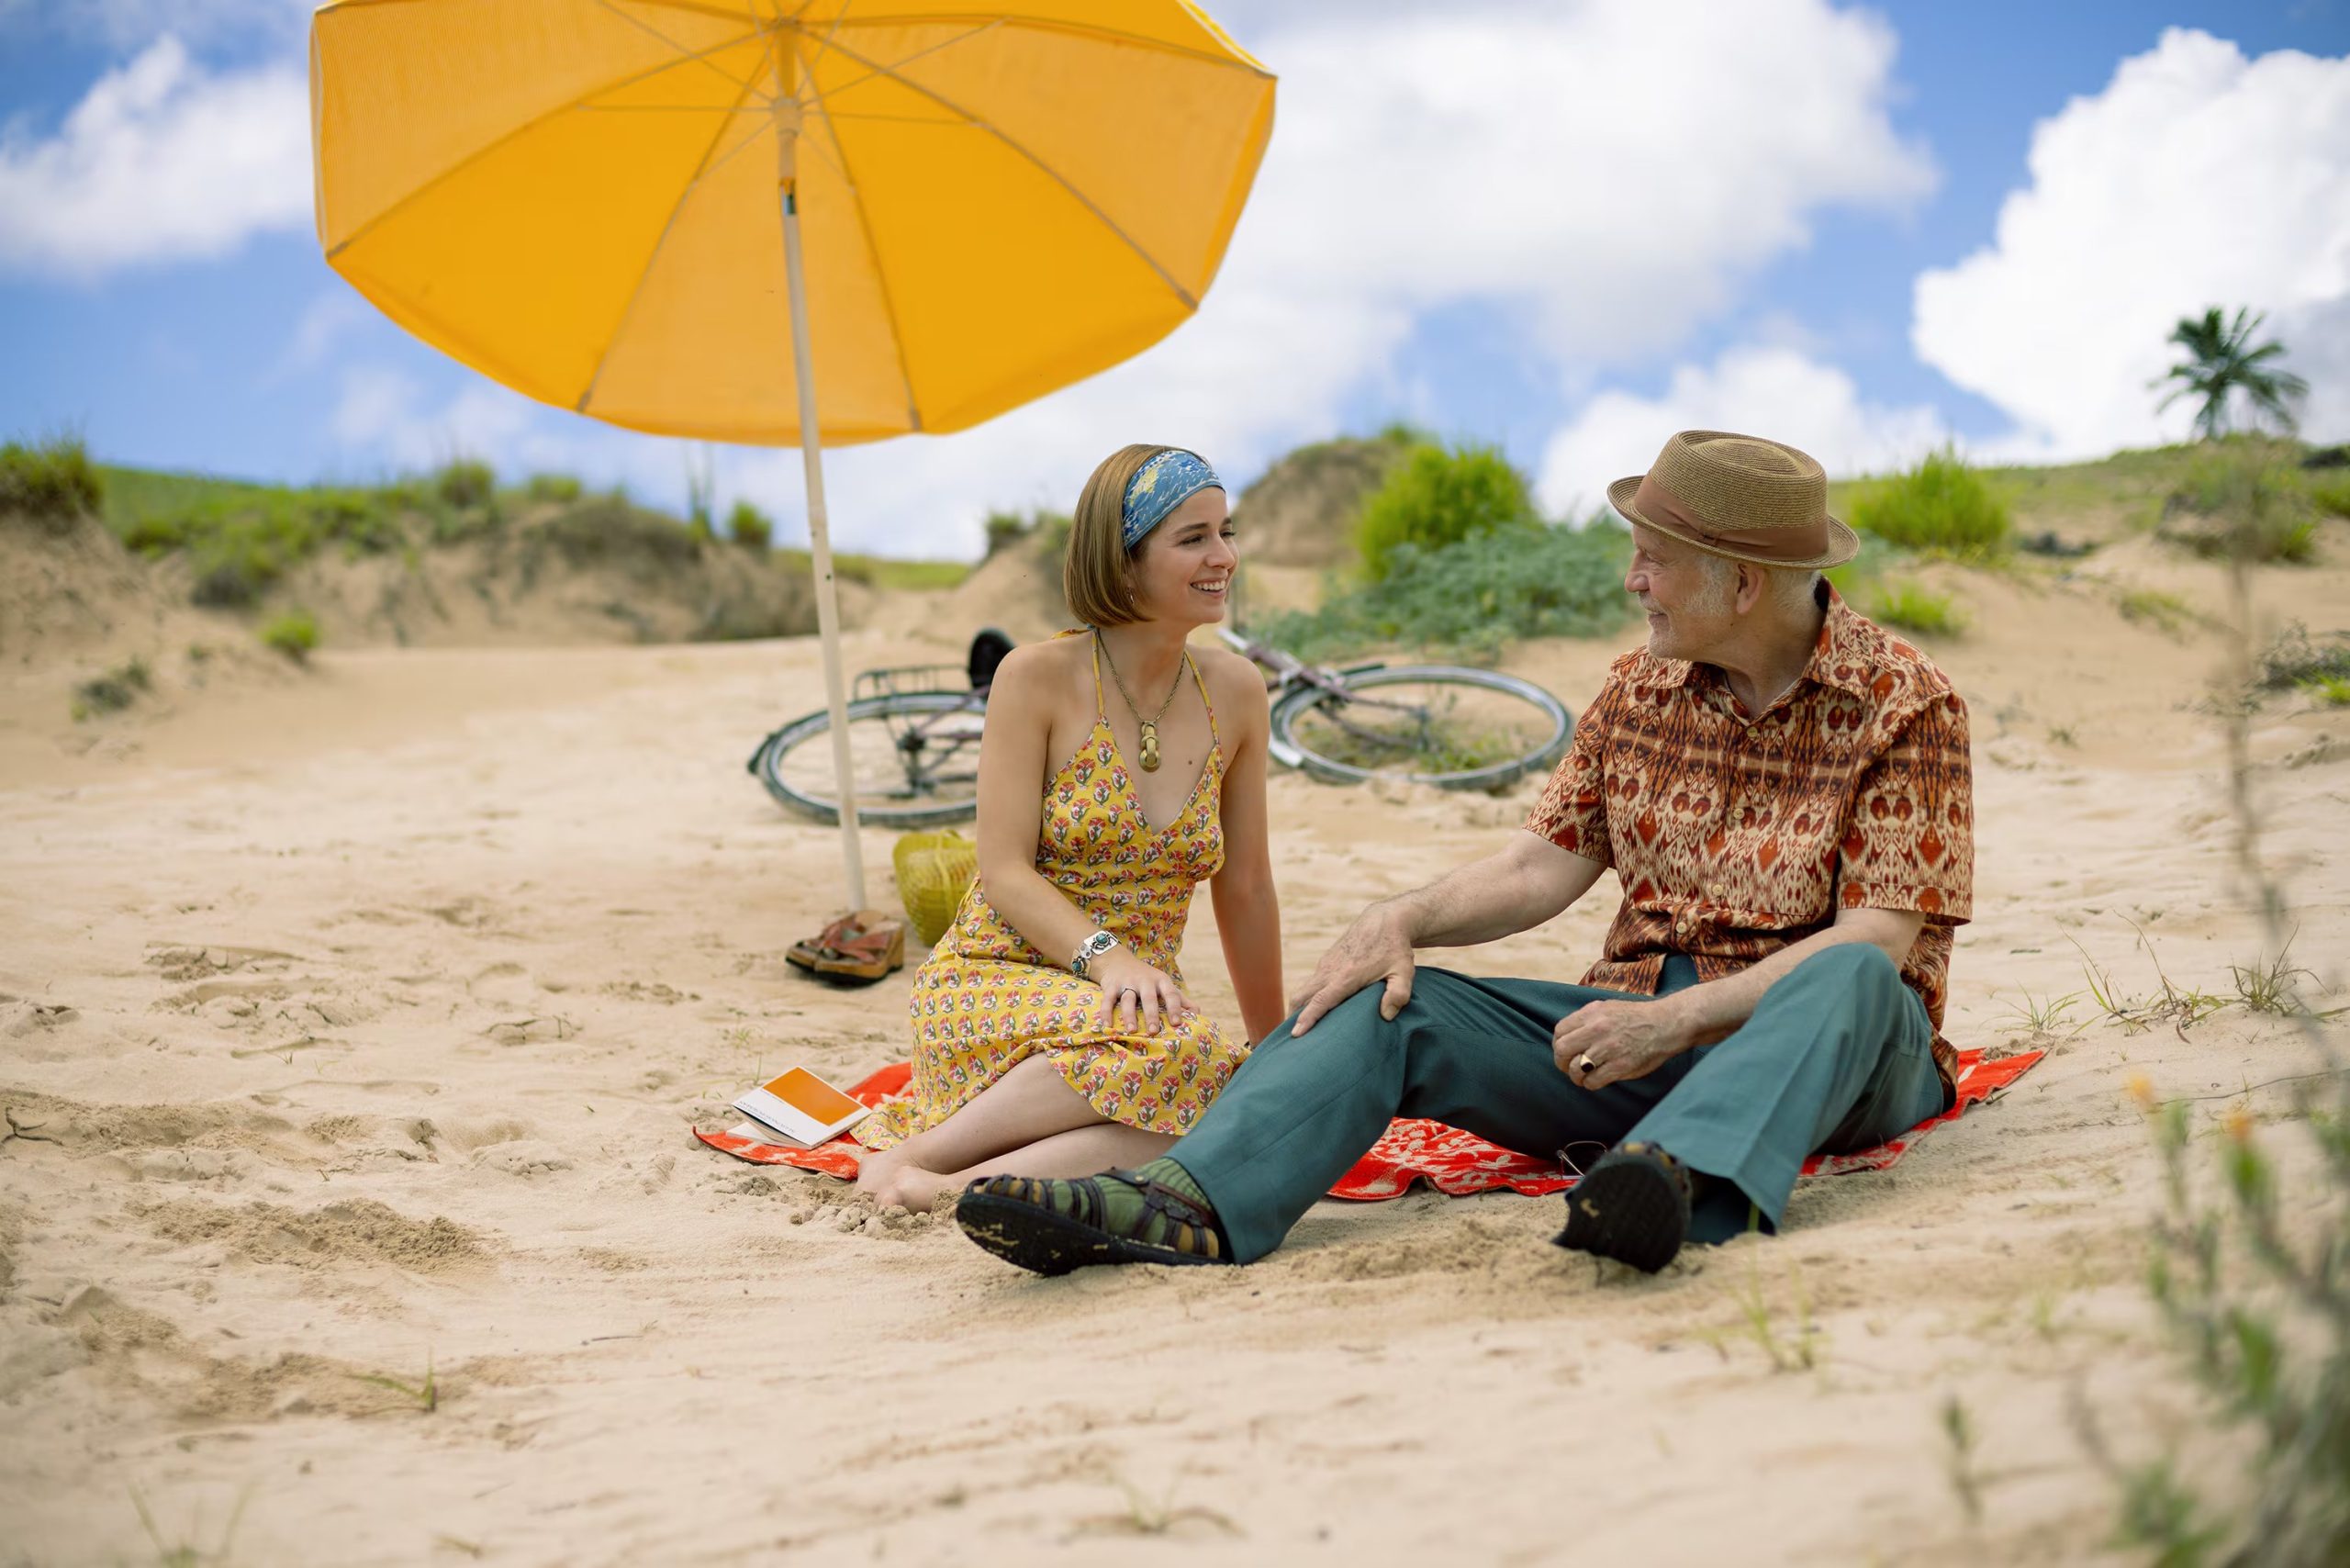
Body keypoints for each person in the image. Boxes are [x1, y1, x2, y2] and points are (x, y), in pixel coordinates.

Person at [954, 429, 1974, 1275]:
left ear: (1745, 583)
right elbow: (1538, 869)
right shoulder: (1637, 691)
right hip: (1629, 1038)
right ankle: (1185, 1201)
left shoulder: (1905, 703)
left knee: (1847, 973)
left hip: (1838, 1055)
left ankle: (1678, 1184)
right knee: (1394, 995)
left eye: (1652, 560)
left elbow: (1880, 939)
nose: (1633, 581)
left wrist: (1675, 1019)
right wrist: (1404, 919)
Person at [851, 445, 1285, 1212]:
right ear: (1122, 564)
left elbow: (1245, 886)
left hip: (1135, 1012)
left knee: (1226, 1108)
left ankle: (946, 1190)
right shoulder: (1034, 677)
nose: (1224, 557)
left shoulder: (1238, 692)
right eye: (1193, 539)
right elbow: (1004, 869)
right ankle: (916, 1152)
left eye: (1227, 532)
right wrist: (1108, 958)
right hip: (998, 979)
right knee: (1181, 1053)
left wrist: (1277, 1051)